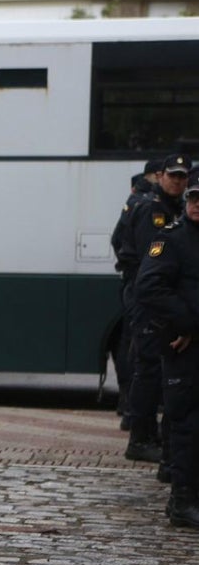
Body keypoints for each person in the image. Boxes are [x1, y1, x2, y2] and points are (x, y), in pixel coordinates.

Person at [133, 166, 199, 530]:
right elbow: (149, 288)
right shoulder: (172, 239)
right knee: (186, 424)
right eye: (194, 198)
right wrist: (187, 323)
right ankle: (182, 500)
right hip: (184, 347)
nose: (197, 204)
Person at [119, 154, 191, 464]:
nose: (177, 181)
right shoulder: (152, 209)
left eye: (182, 176)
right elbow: (154, 264)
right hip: (147, 301)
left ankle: (150, 433)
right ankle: (140, 438)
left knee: (155, 368)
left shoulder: (173, 208)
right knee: (147, 368)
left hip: (156, 301)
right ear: (160, 176)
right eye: (172, 175)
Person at [111, 157, 164, 431]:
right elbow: (149, 253)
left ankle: (130, 407)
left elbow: (117, 240)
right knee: (141, 352)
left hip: (134, 282)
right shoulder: (148, 205)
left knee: (133, 346)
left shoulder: (137, 201)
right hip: (142, 286)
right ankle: (135, 415)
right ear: (157, 176)